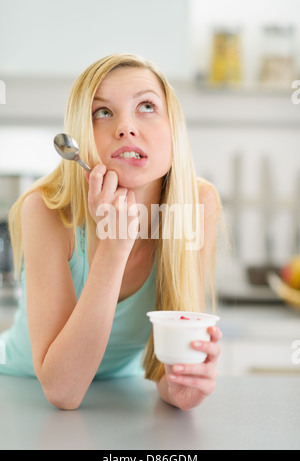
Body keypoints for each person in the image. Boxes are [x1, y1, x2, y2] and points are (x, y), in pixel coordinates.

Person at [0, 53, 222, 410]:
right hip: (18, 391)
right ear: (82, 137)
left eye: (146, 106)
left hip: (123, 393)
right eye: (102, 112)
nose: (126, 127)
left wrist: (182, 387)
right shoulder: (46, 210)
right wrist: (114, 248)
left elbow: (167, 374)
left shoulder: (196, 205)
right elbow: (62, 391)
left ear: (174, 128)